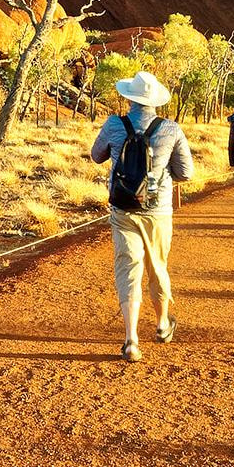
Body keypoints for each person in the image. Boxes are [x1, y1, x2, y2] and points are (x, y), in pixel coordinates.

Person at [91, 70, 194, 363]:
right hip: (158, 211)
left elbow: (96, 155)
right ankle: (162, 325)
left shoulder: (114, 124)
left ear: (129, 98)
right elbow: (186, 173)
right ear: (155, 101)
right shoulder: (171, 129)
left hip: (123, 209)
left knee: (128, 267)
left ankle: (131, 340)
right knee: (157, 265)